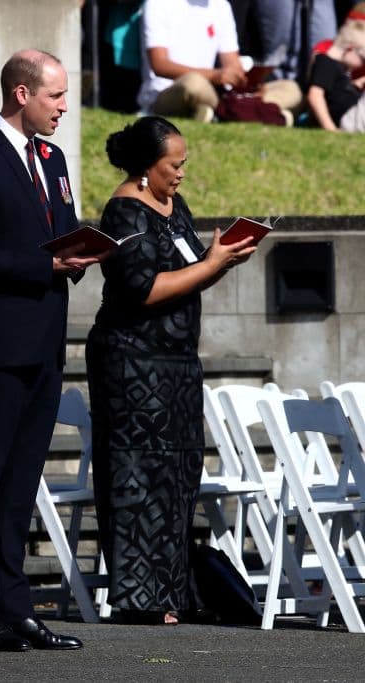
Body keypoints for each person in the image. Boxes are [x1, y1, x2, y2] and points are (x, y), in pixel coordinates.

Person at [0, 49, 98, 652]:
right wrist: (47, 263)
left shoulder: (52, 157)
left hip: (45, 341)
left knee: (20, 483)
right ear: (20, 94)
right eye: (55, 96)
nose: (63, 107)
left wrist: (83, 253)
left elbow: (63, 223)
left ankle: (16, 607)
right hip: (0, 345)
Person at [86, 115, 256, 624]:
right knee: (139, 475)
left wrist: (218, 258)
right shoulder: (124, 213)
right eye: (173, 165)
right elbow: (144, 288)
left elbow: (185, 268)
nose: (181, 173)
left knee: (179, 474)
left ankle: (174, 591)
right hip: (134, 364)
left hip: (178, 364)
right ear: (145, 167)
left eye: (183, 163)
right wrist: (211, 266)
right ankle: (141, 599)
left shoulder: (171, 203)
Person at [138, 0, 302, 124]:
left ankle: (221, 112)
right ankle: (266, 114)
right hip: (168, 92)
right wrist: (215, 76)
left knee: (290, 88)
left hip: (213, 93)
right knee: (194, 83)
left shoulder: (221, 5)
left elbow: (232, 62)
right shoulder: (157, 3)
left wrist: (247, 82)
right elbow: (160, 65)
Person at [306, 24, 365, 130]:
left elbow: (338, 92)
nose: (363, 65)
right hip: (347, 120)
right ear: (350, 49)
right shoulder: (327, 62)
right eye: (363, 59)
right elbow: (315, 96)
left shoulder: (341, 69)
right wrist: (330, 128)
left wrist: (355, 85)